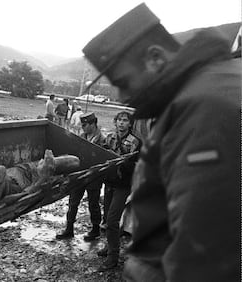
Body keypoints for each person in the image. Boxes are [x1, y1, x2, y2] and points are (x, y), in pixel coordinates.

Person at [82, 3, 240, 281]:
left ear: (155, 58)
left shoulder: (204, 107)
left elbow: (205, 251)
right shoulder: (200, 90)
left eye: (122, 81)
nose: (120, 96)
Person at [0, 150, 80, 218]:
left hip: (10, 185)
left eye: (46, 162)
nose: (41, 161)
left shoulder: (46, 178)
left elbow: (75, 161)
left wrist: (43, 177)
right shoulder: (35, 165)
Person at [97, 111, 141, 270]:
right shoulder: (109, 138)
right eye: (119, 120)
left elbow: (137, 167)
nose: (122, 123)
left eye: (125, 121)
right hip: (109, 183)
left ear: (130, 124)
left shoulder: (135, 142)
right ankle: (109, 246)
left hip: (123, 185)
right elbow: (101, 157)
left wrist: (121, 161)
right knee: (107, 219)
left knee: (113, 219)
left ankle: (113, 256)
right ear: (115, 122)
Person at [56, 112, 104, 241]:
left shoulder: (102, 139)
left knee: (93, 204)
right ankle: (69, 228)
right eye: (82, 125)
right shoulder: (82, 136)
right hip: (80, 174)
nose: (82, 128)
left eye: (85, 125)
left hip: (94, 176)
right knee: (73, 202)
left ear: (93, 124)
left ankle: (95, 229)